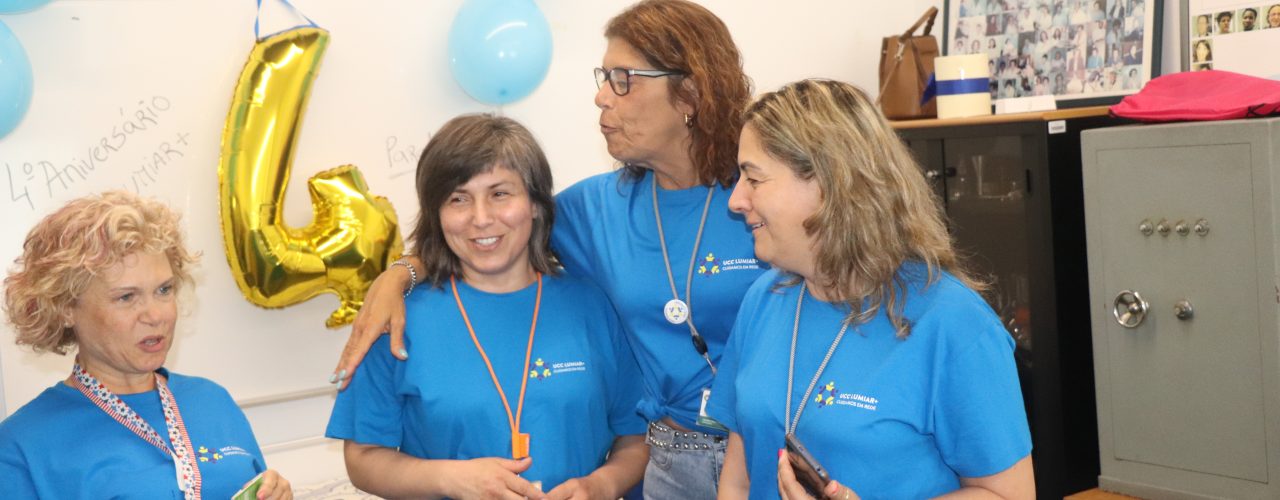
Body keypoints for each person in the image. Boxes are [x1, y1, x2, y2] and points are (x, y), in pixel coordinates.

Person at [331, 2, 767, 498]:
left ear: (689, 91)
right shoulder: (593, 210)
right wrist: (398, 276)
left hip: (765, 450)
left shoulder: (759, 195)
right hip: (667, 461)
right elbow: (491, 232)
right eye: (604, 77)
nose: (601, 96)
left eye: (623, 79)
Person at [708, 79, 1034, 499]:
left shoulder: (954, 323)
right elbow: (738, 481)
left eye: (753, 178)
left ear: (828, 185)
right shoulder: (764, 300)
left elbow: (1008, 494)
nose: (735, 200)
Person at [326, 114, 648, 499]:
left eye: (500, 194)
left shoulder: (592, 304)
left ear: (535, 204)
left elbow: (637, 437)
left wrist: (601, 485)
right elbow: (363, 458)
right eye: (458, 199)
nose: (480, 219)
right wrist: (450, 478)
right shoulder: (397, 317)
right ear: (436, 214)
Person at [0, 191, 292, 499]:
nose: (156, 315)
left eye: (164, 290)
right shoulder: (23, 447)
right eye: (126, 297)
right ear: (65, 308)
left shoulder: (212, 400)